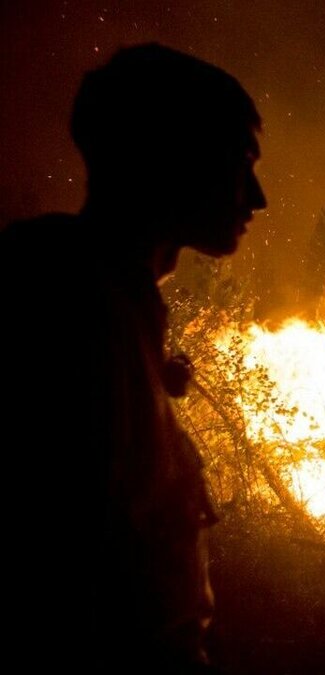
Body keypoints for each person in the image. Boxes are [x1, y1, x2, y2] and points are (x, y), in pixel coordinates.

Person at [0, 43, 265, 671]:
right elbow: (69, 566)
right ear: (175, 159)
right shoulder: (72, 312)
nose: (256, 198)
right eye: (241, 163)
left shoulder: (109, 304)